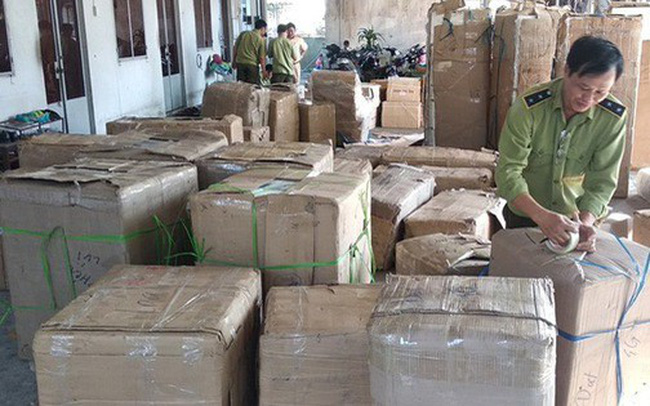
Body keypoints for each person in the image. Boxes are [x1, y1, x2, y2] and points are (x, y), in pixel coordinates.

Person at [496, 36, 626, 253]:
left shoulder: (612, 118)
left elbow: (602, 181)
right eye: (583, 87)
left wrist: (586, 223)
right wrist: (541, 216)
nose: (588, 98)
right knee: (520, 265)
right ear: (566, 71)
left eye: (600, 93)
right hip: (526, 213)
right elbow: (508, 171)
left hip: (574, 218)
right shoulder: (529, 109)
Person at [232, 19, 268, 84]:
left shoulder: (243, 34)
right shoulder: (260, 39)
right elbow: (262, 57)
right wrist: (264, 71)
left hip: (240, 64)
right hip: (252, 66)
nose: (265, 32)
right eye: (265, 30)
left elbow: (235, 48)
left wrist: (234, 61)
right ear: (262, 28)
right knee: (252, 87)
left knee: (241, 86)